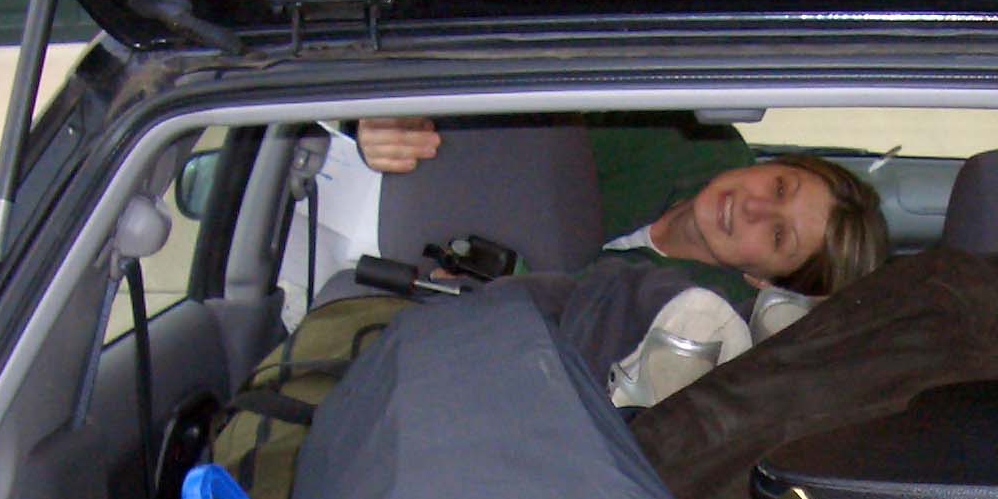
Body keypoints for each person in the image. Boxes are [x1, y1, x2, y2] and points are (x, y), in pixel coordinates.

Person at [355, 117, 888, 301]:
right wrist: (390, 123)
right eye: (779, 187)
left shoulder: (694, 325)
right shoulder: (684, 135)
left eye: (777, 237)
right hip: (374, 213)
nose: (753, 207)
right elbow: (516, 108)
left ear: (762, 281)